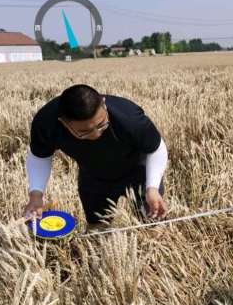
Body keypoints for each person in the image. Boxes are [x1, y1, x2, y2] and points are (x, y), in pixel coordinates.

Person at [22, 84, 169, 231]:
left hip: (139, 171)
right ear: (64, 122)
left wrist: (152, 188)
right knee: (96, 229)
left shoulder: (129, 117)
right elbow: (40, 157)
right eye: (84, 132)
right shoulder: (46, 123)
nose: (96, 135)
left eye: (101, 124)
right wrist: (36, 194)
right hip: (93, 176)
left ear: (104, 104)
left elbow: (156, 148)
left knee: (154, 226)